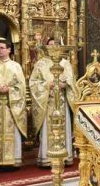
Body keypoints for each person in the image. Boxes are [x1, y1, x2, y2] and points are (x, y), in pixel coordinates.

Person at [30, 38, 79, 167]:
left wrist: (64, 84)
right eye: (50, 45)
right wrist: (47, 85)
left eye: (55, 45)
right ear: (46, 47)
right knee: (48, 130)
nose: (52, 47)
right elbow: (34, 83)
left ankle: (65, 156)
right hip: (48, 102)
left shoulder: (65, 63)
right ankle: (47, 159)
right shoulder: (41, 64)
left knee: (64, 129)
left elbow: (72, 82)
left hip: (62, 101)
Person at [0, 38, 27, 169]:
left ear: (9, 50)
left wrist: (10, 89)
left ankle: (13, 160)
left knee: (12, 134)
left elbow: (21, 87)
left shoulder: (15, 66)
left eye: (1, 48)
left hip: (11, 106)